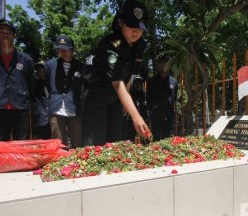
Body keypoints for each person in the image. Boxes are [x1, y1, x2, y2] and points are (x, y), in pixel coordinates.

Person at [82, 0, 150, 146]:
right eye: (131, 26)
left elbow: (131, 75)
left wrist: (126, 103)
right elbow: (117, 82)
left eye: (140, 28)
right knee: (96, 144)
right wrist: (136, 116)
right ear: (120, 22)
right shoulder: (112, 44)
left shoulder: (140, 45)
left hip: (117, 97)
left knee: (115, 142)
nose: (136, 32)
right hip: (97, 96)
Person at [0, 19, 35, 141]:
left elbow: (31, 83)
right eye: (2, 31)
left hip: (20, 106)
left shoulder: (26, 60)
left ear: (14, 35)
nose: (5, 35)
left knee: (21, 144)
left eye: (9, 32)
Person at [45, 35, 84, 148]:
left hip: (74, 108)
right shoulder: (50, 65)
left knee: (78, 143)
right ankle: (60, 165)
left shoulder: (81, 66)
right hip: (56, 108)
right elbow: (46, 83)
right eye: (60, 50)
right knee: (58, 144)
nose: (63, 52)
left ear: (73, 49)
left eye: (66, 49)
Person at [146, 58, 178, 141]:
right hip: (156, 114)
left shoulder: (173, 81)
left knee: (167, 138)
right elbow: (148, 98)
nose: (164, 66)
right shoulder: (152, 81)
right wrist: (151, 111)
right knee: (156, 138)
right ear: (158, 66)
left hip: (168, 114)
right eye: (161, 64)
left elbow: (174, 97)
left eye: (166, 64)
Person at [33, 62, 51, 139]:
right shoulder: (36, 84)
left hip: (51, 114)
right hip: (41, 116)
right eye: (39, 71)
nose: (42, 73)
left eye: (43, 70)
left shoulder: (51, 83)